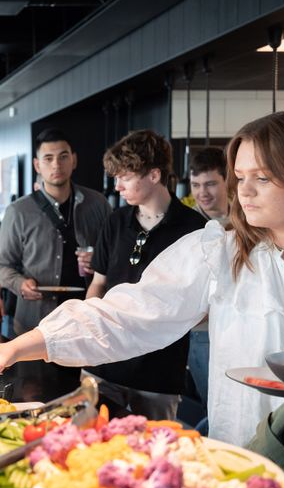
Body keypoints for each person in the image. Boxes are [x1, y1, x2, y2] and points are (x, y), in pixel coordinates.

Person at [0, 106, 284, 449]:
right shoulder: (219, 251)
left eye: (262, 178)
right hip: (245, 456)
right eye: (240, 177)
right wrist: (21, 346)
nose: (244, 192)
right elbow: (131, 312)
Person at [84, 130, 207, 420]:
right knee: (90, 437)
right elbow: (98, 284)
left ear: (154, 175)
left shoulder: (194, 228)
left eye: (125, 177)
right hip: (105, 363)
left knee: (156, 445)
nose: (117, 186)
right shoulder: (115, 222)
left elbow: (201, 305)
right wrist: (90, 327)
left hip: (159, 372)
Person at [0, 128, 111, 336]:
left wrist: (99, 259)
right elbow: (2, 266)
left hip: (88, 319)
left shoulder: (98, 204)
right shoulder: (18, 211)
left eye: (63, 157)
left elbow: (117, 253)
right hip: (35, 322)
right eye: (48, 158)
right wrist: (20, 284)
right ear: (37, 165)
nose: (56, 165)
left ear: (74, 160)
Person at [186, 147, 231, 432]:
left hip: (241, 326)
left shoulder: (247, 218)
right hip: (202, 331)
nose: (202, 193)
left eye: (211, 183)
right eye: (196, 185)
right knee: (214, 406)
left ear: (227, 180)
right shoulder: (188, 225)